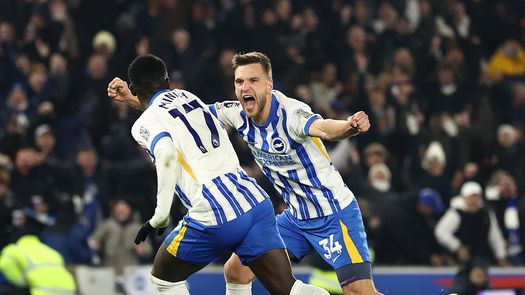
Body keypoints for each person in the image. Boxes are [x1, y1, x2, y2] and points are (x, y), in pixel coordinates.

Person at [108, 51, 377, 294]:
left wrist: (350, 126)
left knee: (359, 293)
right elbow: (182, 116)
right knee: (236, 271)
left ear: (269, 85)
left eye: (253, 80)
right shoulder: (236, 114)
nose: (245, 87)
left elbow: (325, 128)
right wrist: (134, 98)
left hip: (332, 213)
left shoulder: (292, 114)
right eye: (239, 82)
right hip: (295, 218)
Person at [0, 209, 77, 295]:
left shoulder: (14, 249)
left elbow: (4, 263)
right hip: (69, 291)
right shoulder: (50, 251)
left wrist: (21, 282)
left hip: (42, 292)